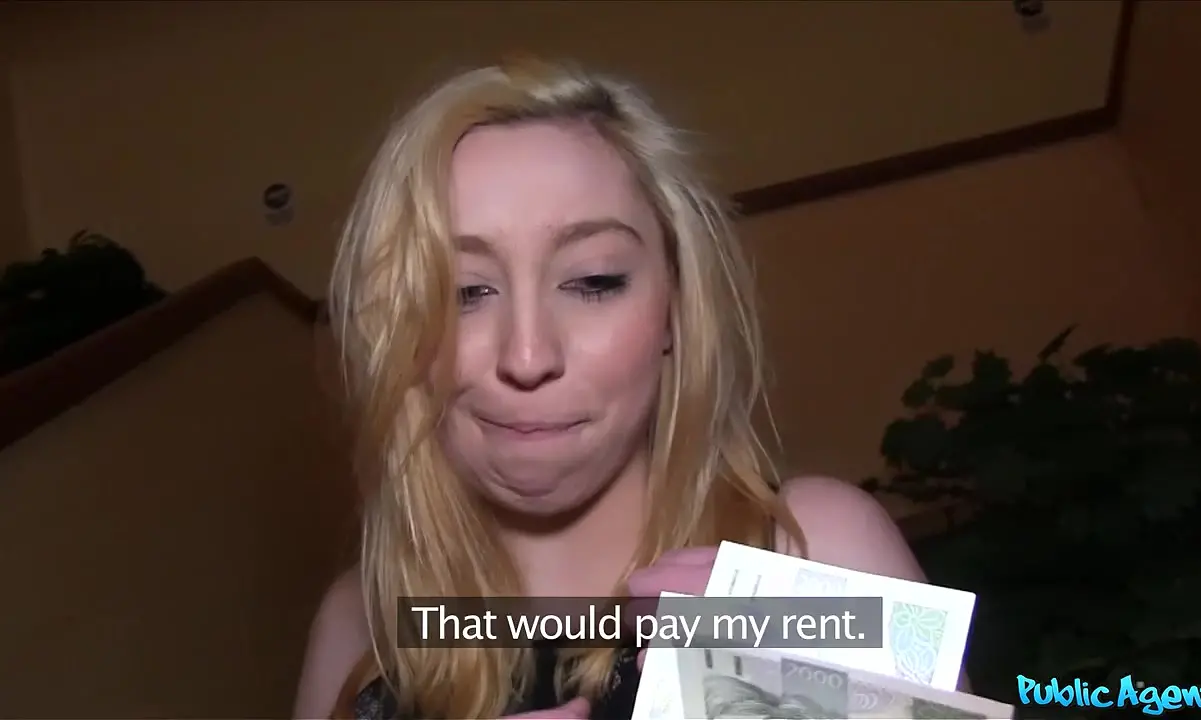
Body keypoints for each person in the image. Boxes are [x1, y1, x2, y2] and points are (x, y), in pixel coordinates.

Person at [293, 58, 935, 720]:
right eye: (464, 292)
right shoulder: (359, 623)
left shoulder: (819, 548)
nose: (528, 355)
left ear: (676, 308)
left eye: (593, 281)